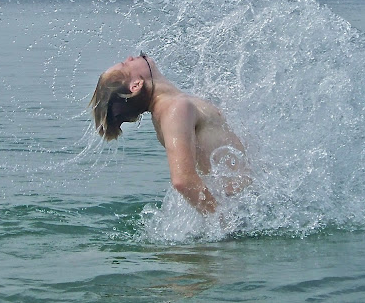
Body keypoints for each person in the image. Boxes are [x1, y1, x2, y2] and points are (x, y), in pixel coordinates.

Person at [90, 52, 249, 215]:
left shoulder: (173, 105)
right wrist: (223, 220)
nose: (129, 58)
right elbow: (183, 180)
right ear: (136, 85)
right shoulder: (175, 109)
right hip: (239, 207)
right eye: (125, 65)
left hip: (242, 202)